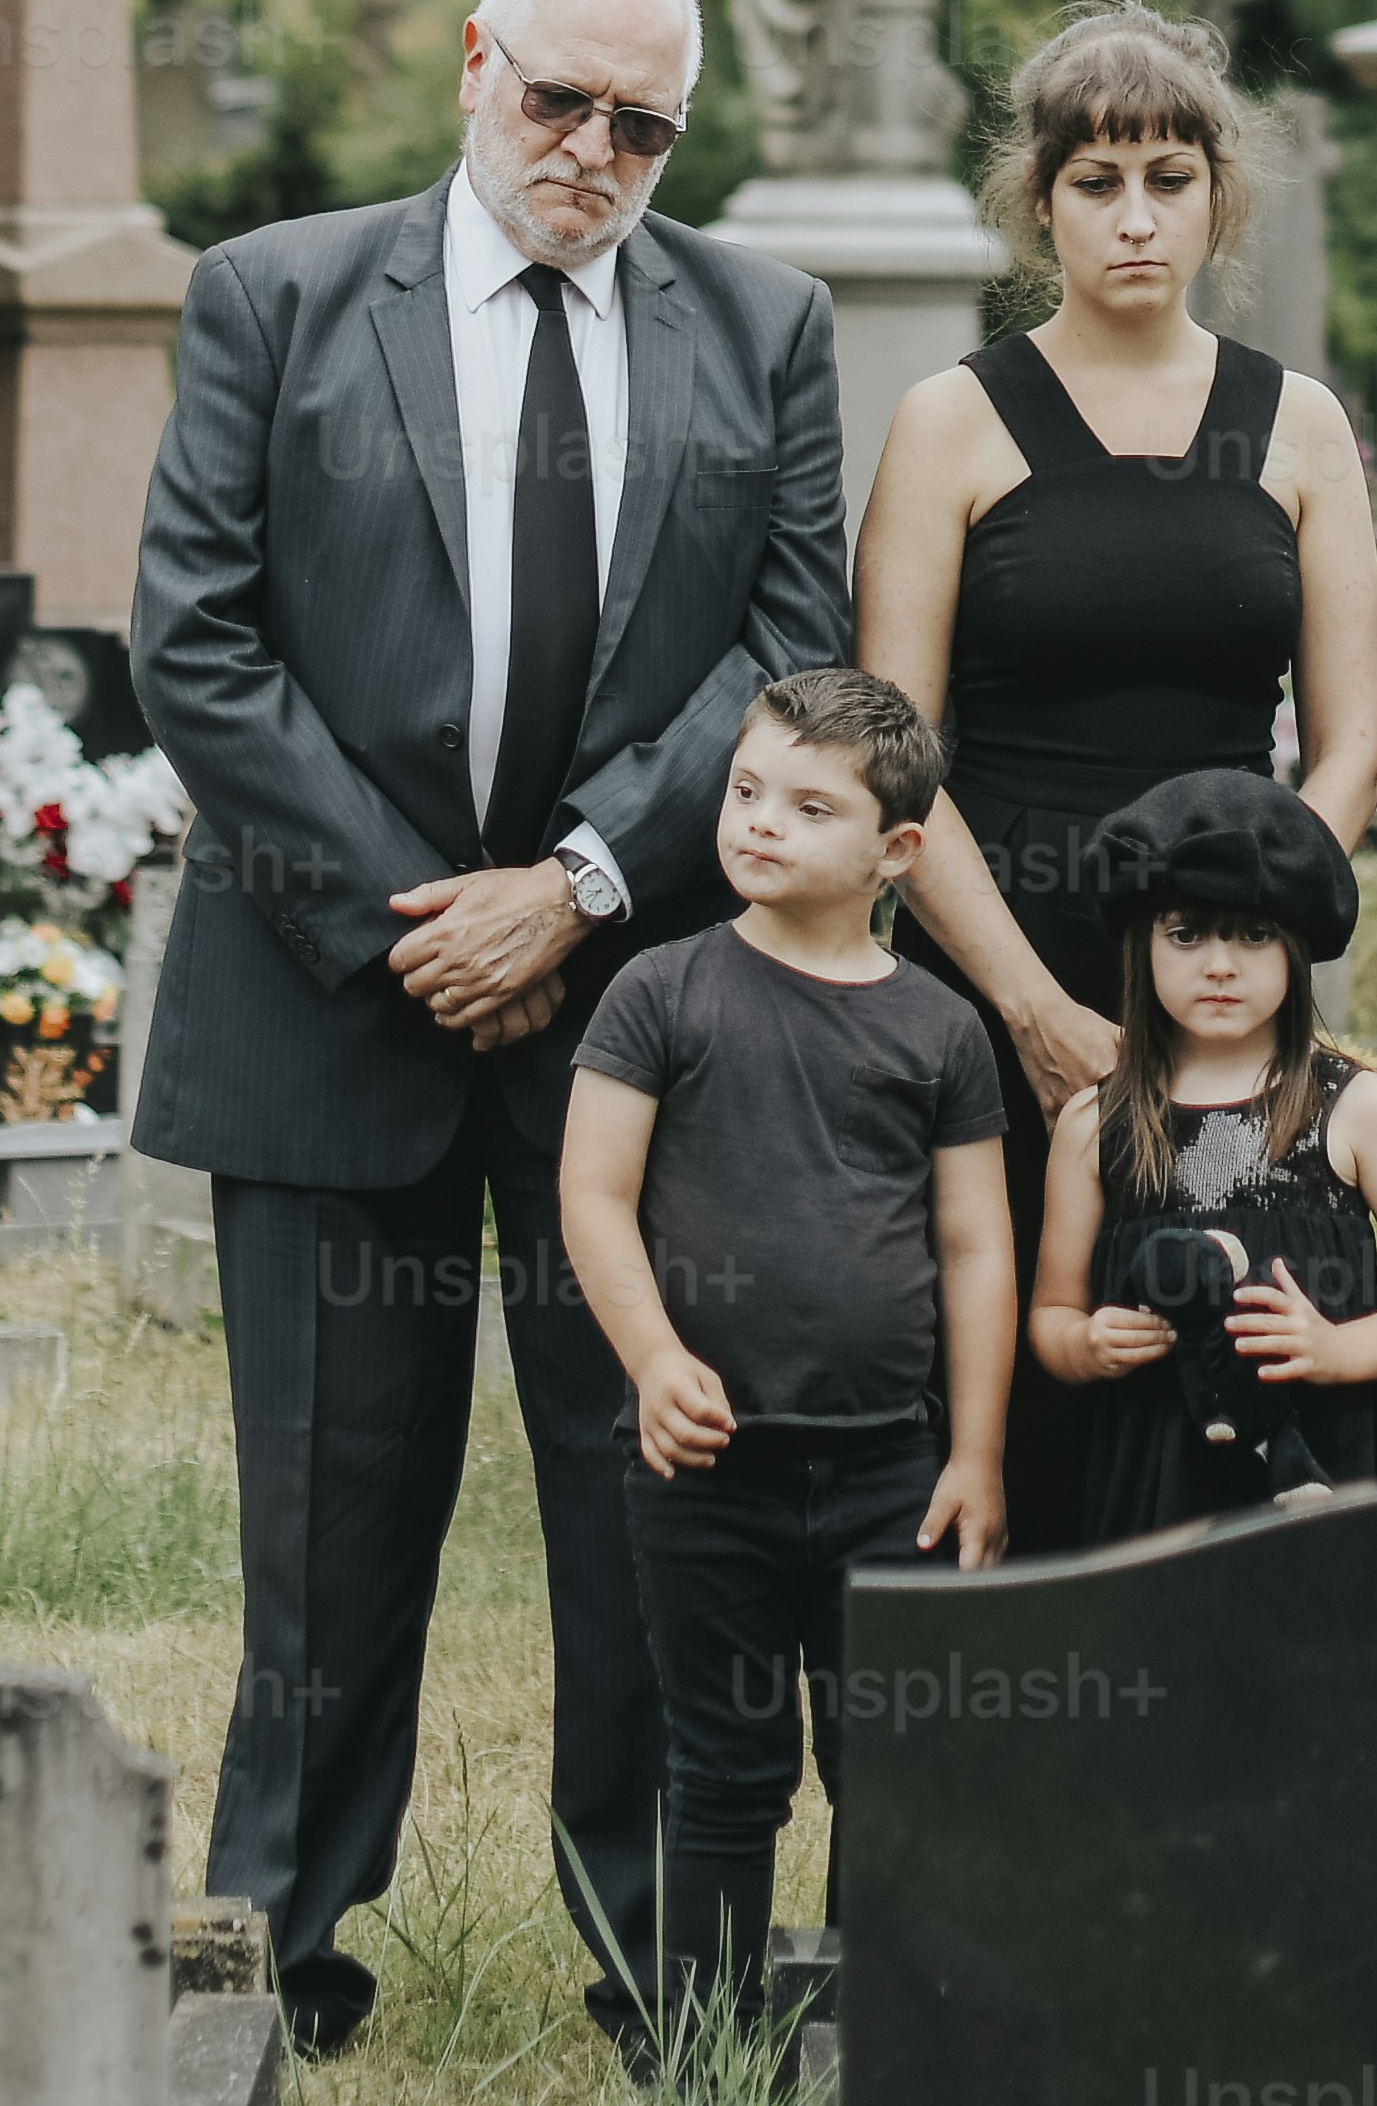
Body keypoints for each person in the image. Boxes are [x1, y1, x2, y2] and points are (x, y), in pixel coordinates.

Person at [129, 0, 851, 2071]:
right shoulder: (271, 295)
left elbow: (781, 653)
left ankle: (665, 1972)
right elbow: (199, 639)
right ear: (475, 65)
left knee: (649, 1513)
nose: (596, 154)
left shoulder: (763, 323)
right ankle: (284, 1970)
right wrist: (418, 920)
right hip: (329, 1002)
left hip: (638, 1025)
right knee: (328, 1533)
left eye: (645, 125)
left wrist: (575, 889)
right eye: (561, 103)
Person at [557, 666, 1014, 2074]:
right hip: (711, 1473)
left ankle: (886, 2042)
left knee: (886, 1773)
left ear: (895, 854)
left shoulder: (937, 1030)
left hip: (890, 1472)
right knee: (723, 1772)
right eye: (748, 791)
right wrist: (652, 1357)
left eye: (809, 807)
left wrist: (977, 1452)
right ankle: (704, 2054)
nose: (758, 823)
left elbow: (975, 1245)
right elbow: (591, 1195)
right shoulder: (662, 989)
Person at [855, 8, 1377, 1168]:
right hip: (995, 959)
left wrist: (1257, 931)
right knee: (999, 1334)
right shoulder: (950, 421)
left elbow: (1351, 744)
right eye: (1097, 180)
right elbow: (894, 749)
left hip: (1231, 963)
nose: (1137, 217)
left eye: (1169, 176)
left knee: (1220, 1321)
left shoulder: (1302, 423)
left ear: (1219, 195)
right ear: (1040, 200)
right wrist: (1030, 1006)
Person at [1023, 767, 1377, 1533]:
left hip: (1315, 1485)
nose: (1220, 964)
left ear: (1297, 949)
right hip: (1150, 1491)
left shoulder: (1356, 1109)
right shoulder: (1095, 1124)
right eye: (1187, 933)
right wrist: (1086, 1343)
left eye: (1254, 934)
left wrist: (1334, 1349)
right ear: (1143, 945)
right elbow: (1052, 1313)